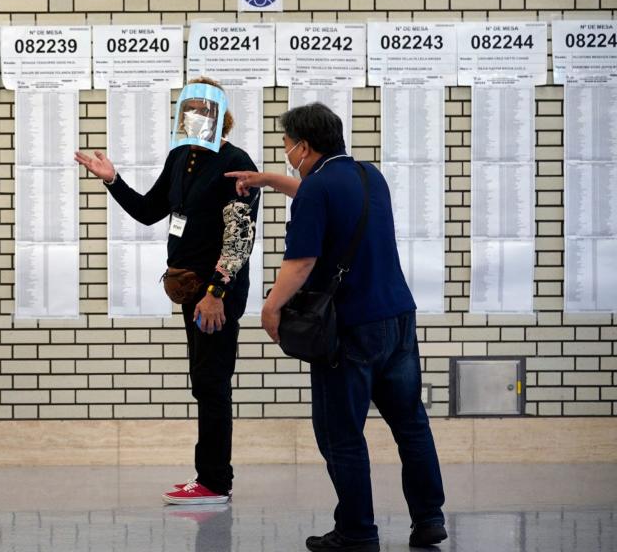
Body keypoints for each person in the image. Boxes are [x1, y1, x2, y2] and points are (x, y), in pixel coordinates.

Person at [227, 102, 446, 551]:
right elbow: (321, 195)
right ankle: (429, 519)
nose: (287, 154)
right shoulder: (369, 175)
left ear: (304, 147)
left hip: (349, 331)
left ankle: (357, 531)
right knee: (411, 425)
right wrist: (268, 180)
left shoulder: (316, 189)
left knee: (341, 434)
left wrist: (270, 308)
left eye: (288, 147)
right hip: (398, 319)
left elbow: (301, 262)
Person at [76, 77, 260, 505]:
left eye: (202, 109)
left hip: (217, 292)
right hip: (189, 290)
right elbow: (148, 211)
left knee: (213, 383)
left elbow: (239, 239)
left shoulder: (236, 162)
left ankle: (215, 482)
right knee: (202, 382)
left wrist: (217, 291)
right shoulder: (181, 157)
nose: (193, 115)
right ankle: (208, 476)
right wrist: (113, 179)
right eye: (187, 108)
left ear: (220, 116)